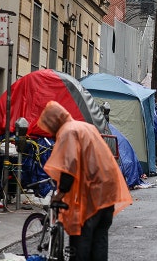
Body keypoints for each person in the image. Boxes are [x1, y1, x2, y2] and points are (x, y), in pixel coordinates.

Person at [37, 101, 133, 261]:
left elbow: (69, 166)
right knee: (100, 241)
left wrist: (60, 195)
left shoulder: (68, 132)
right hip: (109, 190)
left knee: (82, 241)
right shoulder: (84, 127)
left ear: (53, 122)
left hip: (92, 195)